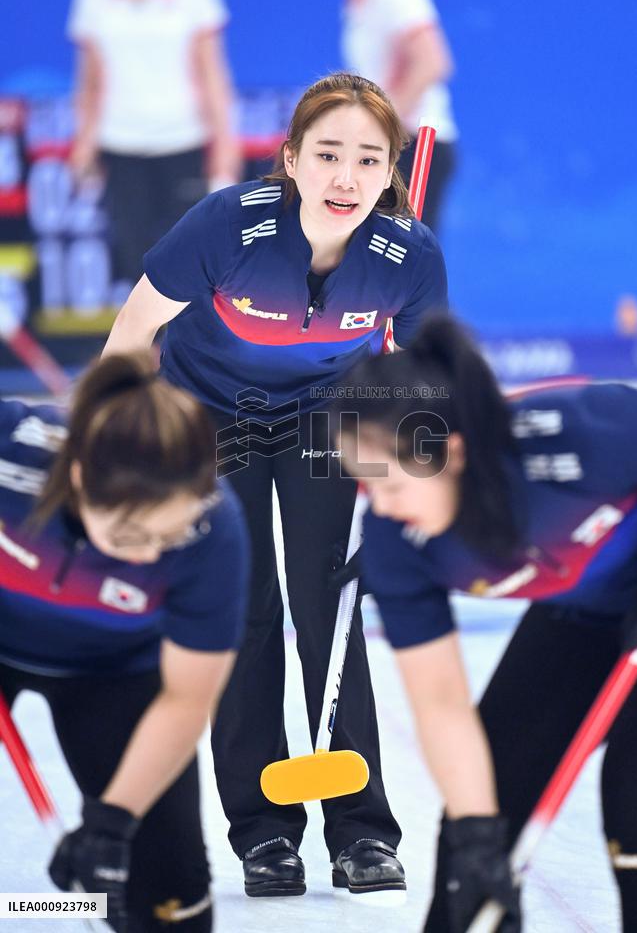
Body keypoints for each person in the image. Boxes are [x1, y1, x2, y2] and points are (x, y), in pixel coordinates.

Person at [101, 72, 448, 898]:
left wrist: (414, 463)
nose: (346, 177)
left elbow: (436, 383)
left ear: (392, 169)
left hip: (329, 413)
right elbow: (133, 331)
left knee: (332, 605)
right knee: (245, 607)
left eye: (369, 160)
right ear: (289, 159)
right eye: (326, 154)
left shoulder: (408, 258)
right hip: (212, 413)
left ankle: (362, 830)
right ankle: (264, 833)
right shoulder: (229, 224)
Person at [334, 311, 637, 933]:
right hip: (585, 613)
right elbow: (440, 702)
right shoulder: (396, 540)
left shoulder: (577, 437)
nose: (379, 508)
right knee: (483, 812)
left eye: (393, 486)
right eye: (365, 486)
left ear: (448, 454)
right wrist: (481, 842)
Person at [0, 353, 249, 931]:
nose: (149, 558)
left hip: (117, 672)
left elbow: (188, 696)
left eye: (170, 535)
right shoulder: (10, 453)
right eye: (133, 535)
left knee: (166, 902)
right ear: (81, 479)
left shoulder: (215, 530)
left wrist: (112, 821)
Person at [67, 0, 239, 298]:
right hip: (120, 147)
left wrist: (225, 143)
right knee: (134, 257)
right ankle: (148, 352)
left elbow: (211, 71)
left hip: (183, 143)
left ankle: (191, 350)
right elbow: (89, 78)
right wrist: (84, 143)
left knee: (189, 256)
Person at [328, 0, 458, 233]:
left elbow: (432, 61)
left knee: (403, 258)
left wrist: (385, 128)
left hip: (418, 142)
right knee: (377, 260)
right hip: (394, 144)